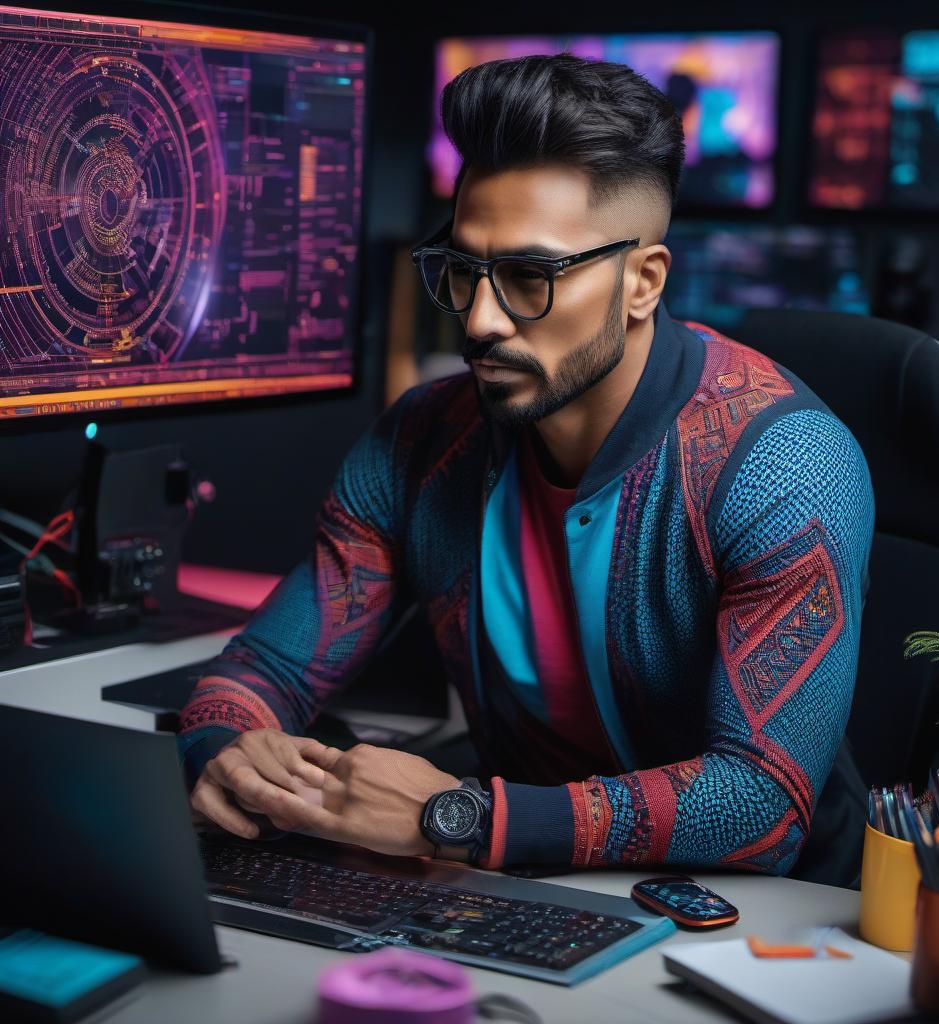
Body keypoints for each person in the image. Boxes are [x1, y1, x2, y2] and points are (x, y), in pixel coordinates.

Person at [178, 54, 874, 885]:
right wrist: (224, 750)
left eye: (527, 278)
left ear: (642, 282)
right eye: (463, 269)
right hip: (516, 887)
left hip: (759, 925)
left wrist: (457, 817)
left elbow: (760, 805)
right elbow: (267, 669)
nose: (478, 319)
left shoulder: (784, 466)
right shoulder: (421, 441)